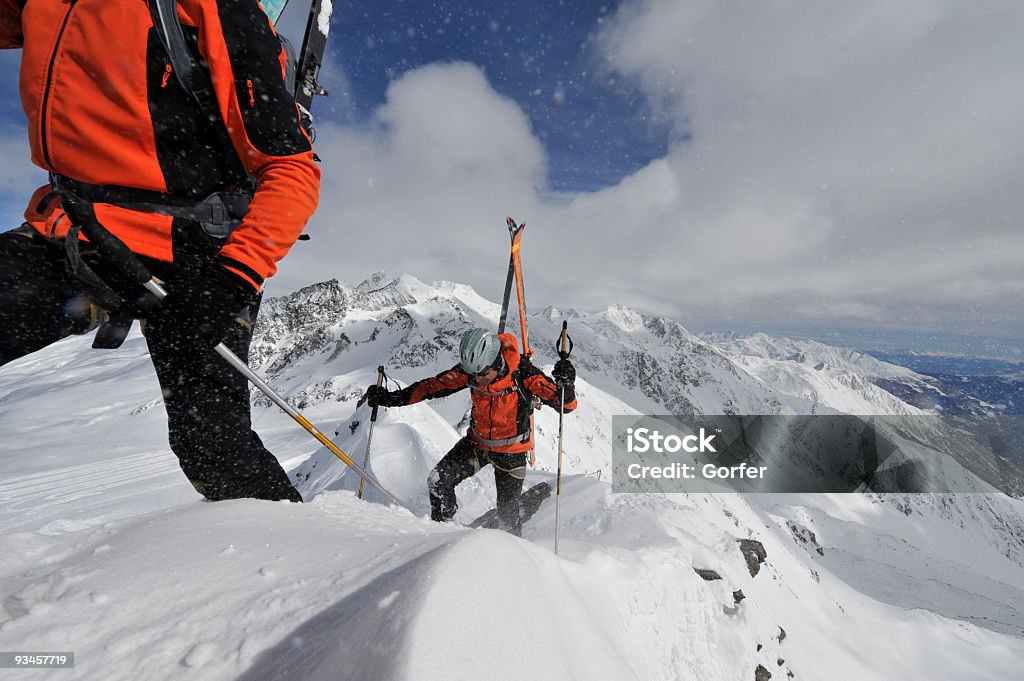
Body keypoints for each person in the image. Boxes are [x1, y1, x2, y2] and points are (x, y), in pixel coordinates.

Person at [0, 1, 319, 502]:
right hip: (72, 230)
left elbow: (291, 171)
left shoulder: (213, 6)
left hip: (196, 255)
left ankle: (319, 567)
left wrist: (231, 280)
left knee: (214, 451)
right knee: (214, 450)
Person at [366, 328, 577, 535]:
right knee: (438, 482)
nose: (478, 379)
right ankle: (444, 534)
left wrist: (566, 384)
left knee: (507, 520)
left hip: (512, 452)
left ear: (496, 362)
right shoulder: (471, 372)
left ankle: (511, 559)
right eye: (474, 375)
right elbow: (431, 387)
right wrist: (391, 399)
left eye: (483, 374)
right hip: (477, 443)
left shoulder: (524, 374)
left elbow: (567, 405)